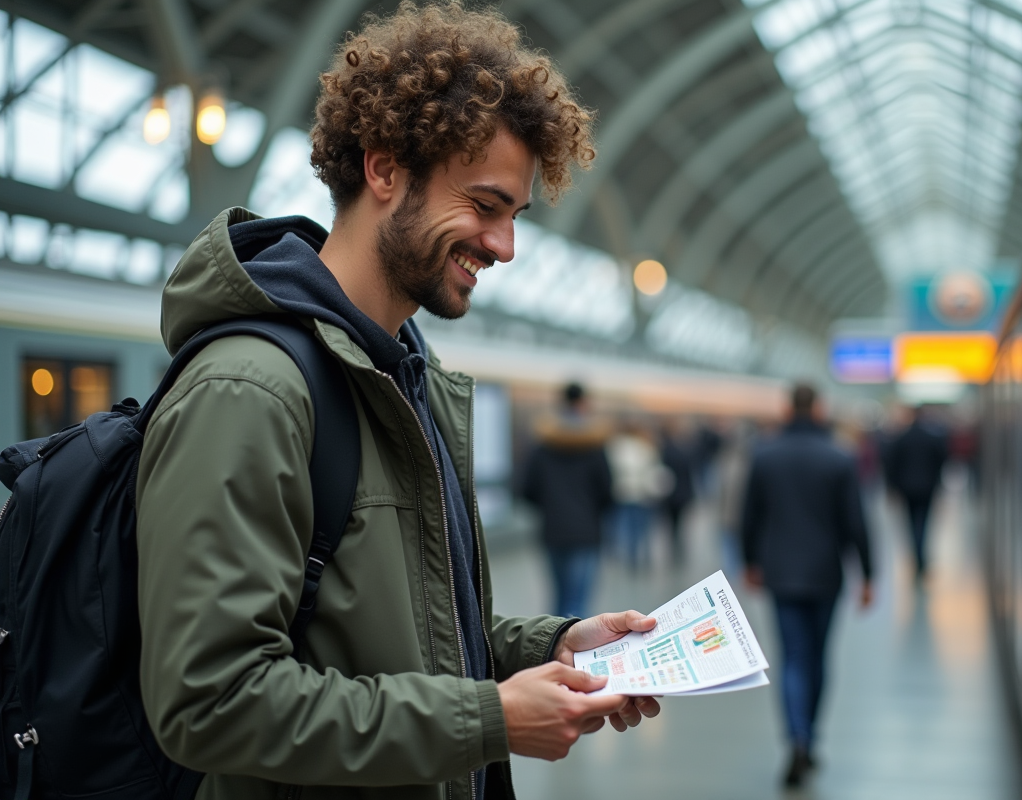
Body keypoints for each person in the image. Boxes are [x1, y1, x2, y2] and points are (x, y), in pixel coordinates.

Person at [134, 5, 660, 798]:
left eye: (514, 216)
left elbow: (412, 634)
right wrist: (489, 719)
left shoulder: (408, 374)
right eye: (483, 206)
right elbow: (210, 701)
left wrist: (554, 647)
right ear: (384, 170)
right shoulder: (252, 390)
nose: (504, 247)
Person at [742, 385, 874, 788]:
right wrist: (869, 574)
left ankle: (796, 738)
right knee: (818, 656)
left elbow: (749, 516)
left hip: (781, 572)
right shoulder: (839, 457)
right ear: (819, 409)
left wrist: (751, 562)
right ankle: (810, 735)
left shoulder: (764, 455)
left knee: (793, 657)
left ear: (786, 409)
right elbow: (855, 521)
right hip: (825, 572)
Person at [522, 383, 613, 618]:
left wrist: (551, 508)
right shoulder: (594, 445)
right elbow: (607, 491)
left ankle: (554, 646)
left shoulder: (543, 445)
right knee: (579, 600)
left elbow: (526, 489)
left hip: (553, 530)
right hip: (586, 531)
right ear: (584, 402)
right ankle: (577, 650)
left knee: (558, 596)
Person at [884, 404, 950, 579]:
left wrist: (891, 487)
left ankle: (916, 557)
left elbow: (890, 463)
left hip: (906, 488)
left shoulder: (901, 438)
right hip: (927, 487)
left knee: (911, 523)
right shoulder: (932, 438)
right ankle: (921, 558)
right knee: (924, 523)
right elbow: (942, 459)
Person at [606, 419, 672, 568]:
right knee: (641, 527)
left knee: (625, 526)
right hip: (642, 494)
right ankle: (640, 555)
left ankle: (630, 554)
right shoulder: (646, 447)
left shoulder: (616, 447)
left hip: (622, 493)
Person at [659, 420, 697, 564]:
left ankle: (674, 551)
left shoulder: (665, 450)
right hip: (683, 493)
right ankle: (679, 551)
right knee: (680, 525)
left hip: (669, 494)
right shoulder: (686, 450)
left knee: (671, 525)